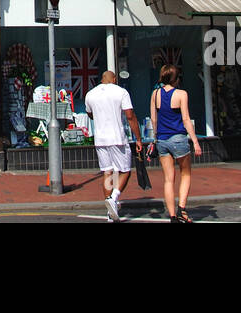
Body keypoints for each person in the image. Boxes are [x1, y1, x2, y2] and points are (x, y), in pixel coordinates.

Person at [84, 71, 141, 222]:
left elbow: (90, 114)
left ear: (102, 79)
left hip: (100, 139)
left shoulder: (90, 94)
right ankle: (114, 197)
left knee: (108, 172)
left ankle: (110, 212)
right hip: (117, 138)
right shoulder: (121, 92)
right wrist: (139, 138)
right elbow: (130, 115)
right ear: (114, 79)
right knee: (124, 171)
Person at [149, 63, 202, 222]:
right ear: (176, 78)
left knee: (168, 179)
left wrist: (156, 137)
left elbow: (153, 118)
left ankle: (172, 215)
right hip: (178, 138)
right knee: (185, 173)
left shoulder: (155, 94)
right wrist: (195, 141)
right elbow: (186, 119)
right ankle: (182, 208)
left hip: (162, 140)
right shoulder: (181, 94)